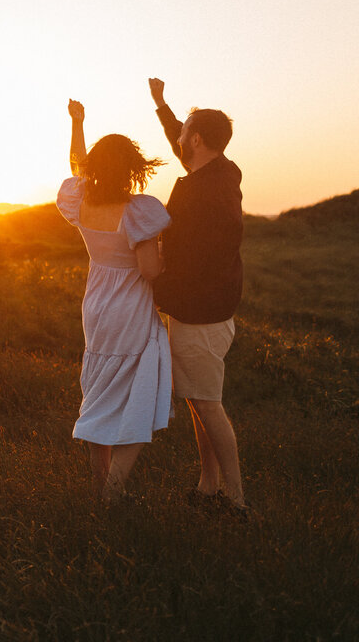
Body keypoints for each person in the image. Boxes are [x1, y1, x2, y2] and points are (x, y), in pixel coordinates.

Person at [58, 99, 172, 502]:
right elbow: (150, 271)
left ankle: (98, 484)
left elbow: (76, 165)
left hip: (96, 305)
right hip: (130, 309)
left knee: (100, 394)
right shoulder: (139, 211)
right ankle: (113, 491)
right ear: (131, 169)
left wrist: (77, 123)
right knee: (136, 399)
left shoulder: (83, 201)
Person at [147, 78, 248, 513]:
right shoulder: (220, 169)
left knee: (208, 405)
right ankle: (208, 486)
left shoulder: (202, 194)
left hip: (201, 317)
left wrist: (156, 287)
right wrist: (162, 105)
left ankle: (237, 502)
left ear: (199, 140)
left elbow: (202, 260)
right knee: (196, 400)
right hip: (201, 313)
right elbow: (180, 141)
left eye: (185, 133)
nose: (179, 139)